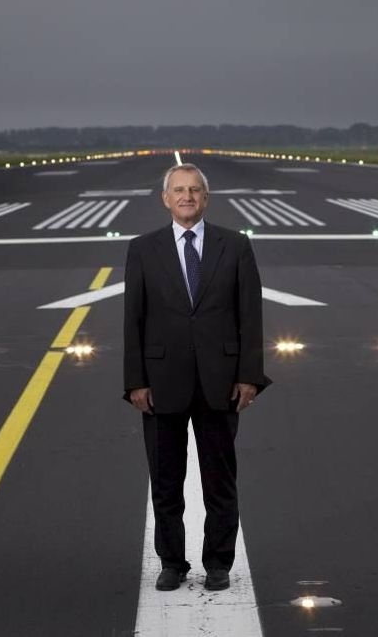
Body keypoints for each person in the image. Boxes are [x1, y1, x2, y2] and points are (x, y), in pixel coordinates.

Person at [123, 163, 271, 592]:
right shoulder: (142, 249)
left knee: (219, 480)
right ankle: (172, 562)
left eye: (194, 191)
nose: (187, 197)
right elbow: (132, 320)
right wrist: (136, 381)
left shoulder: (236, 246)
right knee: (165, 481)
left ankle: (219, 563)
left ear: (206, 199)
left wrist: (249, 376)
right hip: (160, 382)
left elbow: (251, 316)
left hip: (221, 382)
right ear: (165, 199)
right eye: (179, 191)